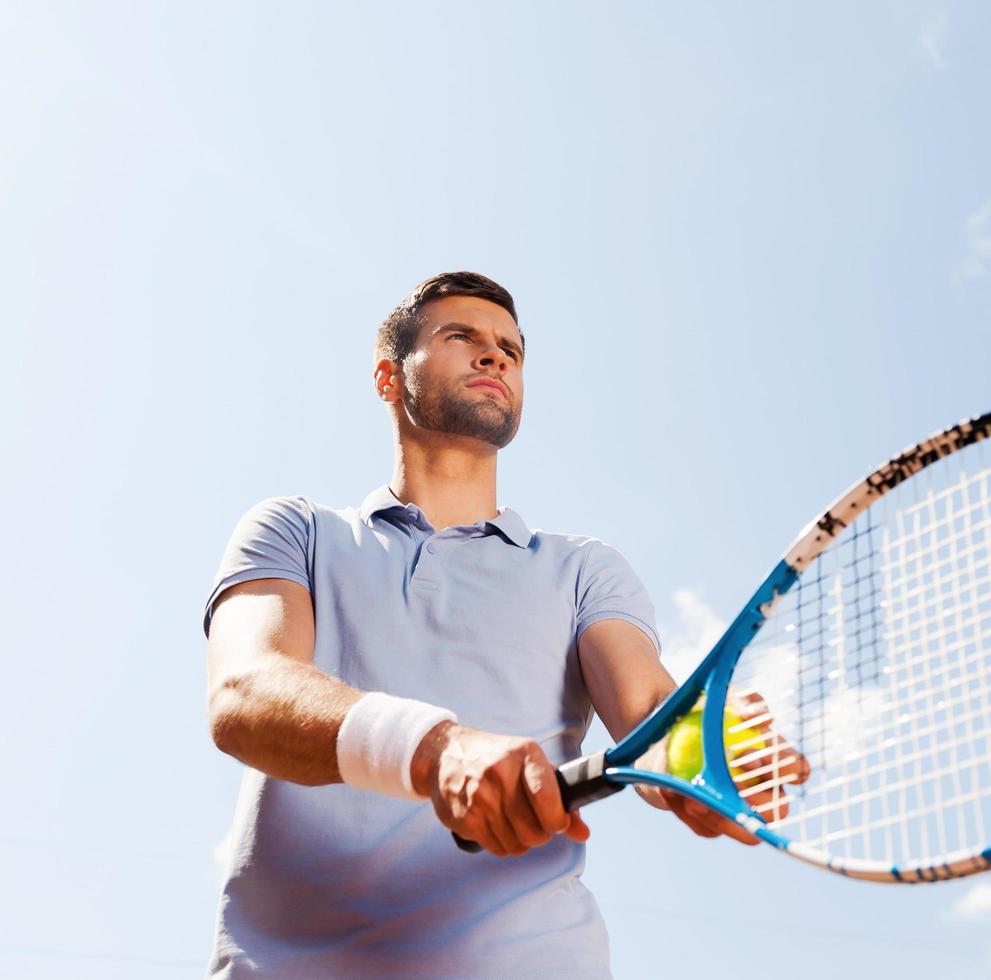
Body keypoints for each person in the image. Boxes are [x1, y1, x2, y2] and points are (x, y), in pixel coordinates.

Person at [201, 272, 767, 978]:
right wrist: (437, 750)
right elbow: (245, 693)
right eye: (460, 336)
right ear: (388, 377)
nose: (494, 355)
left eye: (509, 348)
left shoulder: (583, 569)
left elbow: (650, 713)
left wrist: (707, 754)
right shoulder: (294, 530)